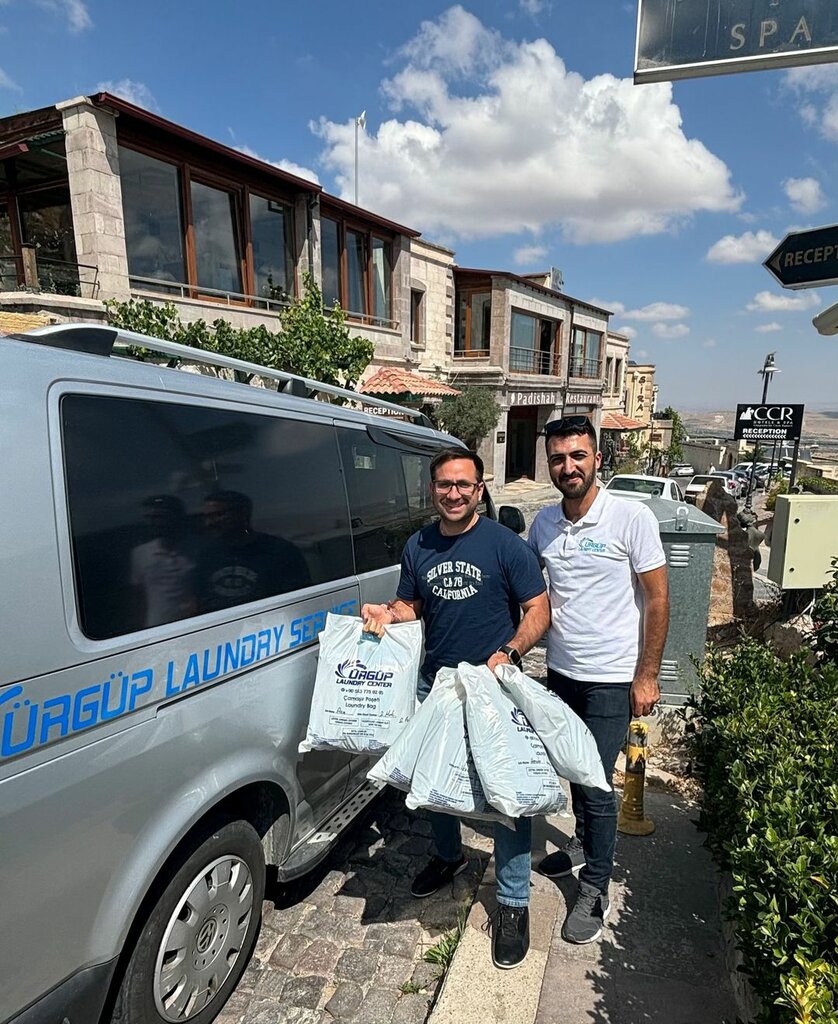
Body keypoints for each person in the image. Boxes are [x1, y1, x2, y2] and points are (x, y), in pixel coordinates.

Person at [362, 448, 550, 970]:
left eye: (464, 485)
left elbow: (539, 609)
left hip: (495, 687)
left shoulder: (505, 545)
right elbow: (412, 605)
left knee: (507, 797)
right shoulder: (417, 545)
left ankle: (513, 903)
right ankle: (448, 857)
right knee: (435, 786)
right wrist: (386, 612)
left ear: (480, 487)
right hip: (435, 686)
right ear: (432, 489)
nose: (454, 493)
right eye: (444, 485)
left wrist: (509, 653)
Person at [527, 417, 669, 945]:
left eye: (578, 455)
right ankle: (586, 845)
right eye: (559, 458)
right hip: (561, 671)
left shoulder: (630, 518)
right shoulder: (544, 524)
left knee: (594, 782)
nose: (569, 466)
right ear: (551, 465)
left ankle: (595, 886)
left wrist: (647, 675)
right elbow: (530, 593)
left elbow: (657, 598)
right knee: (571, 772)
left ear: (597, 460)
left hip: (612, 678)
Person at [197, 490, 310, 612]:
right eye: (206, 517)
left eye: (218, 515)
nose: (210, 523)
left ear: (242, 514)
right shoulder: (206, 557)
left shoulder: (279, 551)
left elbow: (299, 601)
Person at [130, 495, 198, 628]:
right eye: (148, 517)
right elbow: (138, 597)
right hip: (157, 630)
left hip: (197, 626)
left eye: (159, 517)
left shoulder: (199, 549)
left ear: (176, 518)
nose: (152, 522)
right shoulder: (140, 553)